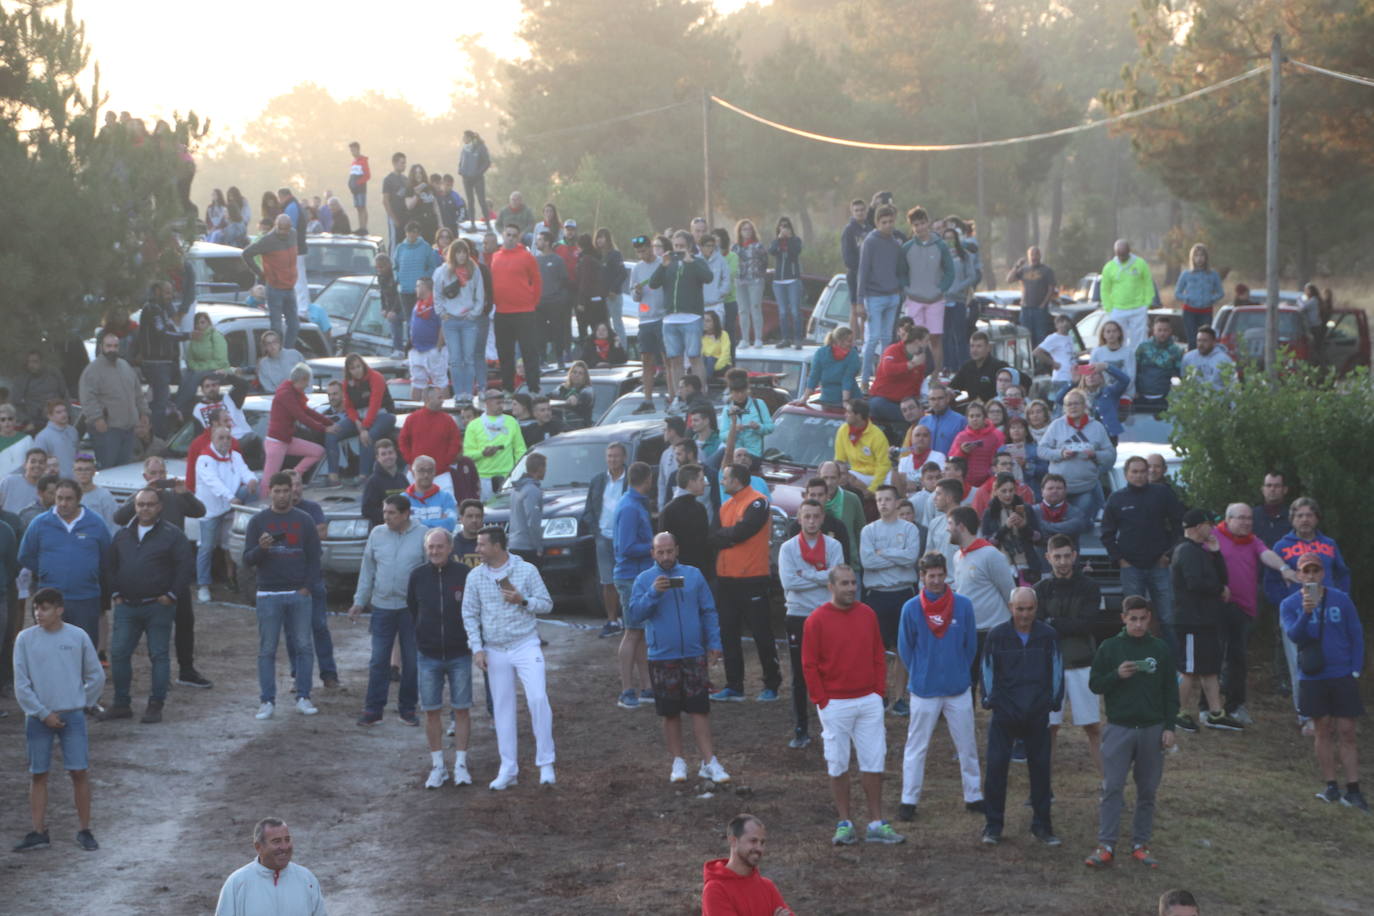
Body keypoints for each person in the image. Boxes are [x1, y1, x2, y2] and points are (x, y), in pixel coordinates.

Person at [626, 531, 731, 784]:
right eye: (660, 552)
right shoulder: (644, 580)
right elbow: (634, 615)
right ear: (652, 553)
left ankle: (709, 762)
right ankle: (678, 761)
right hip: (662, 656)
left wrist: (714, 642)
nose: (666, 556)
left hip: (694, 653)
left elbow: (708, 611)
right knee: (670, 712)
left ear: (677, 550)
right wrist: (653, 593)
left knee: (699, 709)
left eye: (669, 551)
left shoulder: (693, 575)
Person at [1085, 596, 1179, 870]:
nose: (1138, 624)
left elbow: (1170, 692)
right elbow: (1094, 684)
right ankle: (1106, 845)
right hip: (1119, 729)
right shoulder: (1110, 647)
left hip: (1152, 729)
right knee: (1112, 787)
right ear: (1123, 618)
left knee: (1147, 790)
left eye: (1143, 619)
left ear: (1149, 618)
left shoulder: (1160, 649)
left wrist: (1169, 727)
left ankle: (1140, 844)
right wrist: (1116, 675)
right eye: (1133, 619)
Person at [11, 588, 105, 854]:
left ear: (59, 610)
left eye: (44, 608)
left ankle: (84, 829)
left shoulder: (77, 636)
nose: (38, 613)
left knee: (79, 771)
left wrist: (81, 703)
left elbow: (96, 675)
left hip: (68, 714)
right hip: (39, 717)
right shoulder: (25, 639)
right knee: (38, 773)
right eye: (36, 608)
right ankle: (39, 831)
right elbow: (21, 684)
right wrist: (44, 713)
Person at [462, 525, 556, 789]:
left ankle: (546, 763)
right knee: (502, 708)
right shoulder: (475, 576)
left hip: (525, 644)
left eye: (482, 544)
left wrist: (523, 600)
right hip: (494, 648)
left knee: (538, 698)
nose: (477, 549)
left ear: (497, 546)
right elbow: (469, 614)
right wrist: (477, 648)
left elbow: (547, 604)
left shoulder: (527, 570)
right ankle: (508, 769)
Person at [895, 552, 983, 821]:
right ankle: (909, 800)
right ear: (921, 577)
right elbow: (905, 649)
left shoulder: (963, 605)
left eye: (940, 575)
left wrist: (958, 670)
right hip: (924, 689)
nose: (935, 580)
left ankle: (974, 796)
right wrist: (922, 671)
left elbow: (971, 646)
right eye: (930, 576)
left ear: (946, 574)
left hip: (958, 688)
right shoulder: (911, 608)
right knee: (916, 746)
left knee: (967, 744)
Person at [112, 456, 210, 689]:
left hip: (175, 570)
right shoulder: (141, 500)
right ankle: (158, 674)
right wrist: (142, 494)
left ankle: (186, 670)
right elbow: (119, 518)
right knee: (153, 628)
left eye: (162, 473)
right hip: (150, 573)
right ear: (145, 476)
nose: (158, 478)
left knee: (184, 621)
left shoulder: (175, 497)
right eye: (154, 473)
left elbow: (200, 511)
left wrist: (185, 493)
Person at [1281, 552, 1367, 811]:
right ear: (1298, 575)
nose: (1310, 575)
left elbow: (1356, 634)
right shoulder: (1290, 604)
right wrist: (1307, 612)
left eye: (1315, 570)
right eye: (1305, 571)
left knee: (1347, 730)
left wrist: (1355, 669)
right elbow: (1294, 635)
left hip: (1342, 674)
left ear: (1323, 573)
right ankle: (1331, 785)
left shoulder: (1341, 599)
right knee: (1322, 729)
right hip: (1313, 675)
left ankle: (1354, 788)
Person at [979, 587, 1064, 847]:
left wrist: (1052, 701)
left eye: (1029, 609)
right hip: (1005, 713)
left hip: (1037, 712)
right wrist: (991, 700)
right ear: (1010, 607)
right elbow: (987, 669)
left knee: (1040, 770)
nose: (1024, 615)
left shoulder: (1048, 636)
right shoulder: (997, 635)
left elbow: (1057, 668)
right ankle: (993, 826)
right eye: (1019, 609)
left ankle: (1043, 826)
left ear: (1036, 608)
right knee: (996, 769)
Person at [103, 487, 193, 725]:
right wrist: (115, 593)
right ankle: (121, 704)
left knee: (159, 655)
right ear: (134, 506)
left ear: (159, 507)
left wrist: (171, 595)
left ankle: (155, 705)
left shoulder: (173, 535)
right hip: (127, 606)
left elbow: (185, 567)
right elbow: (110, 566)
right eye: (140, 504)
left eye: (150, 504)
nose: (145, 508)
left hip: (158, 607)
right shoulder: (122, 535)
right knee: (119, 653)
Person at [1264, 496, 1352, 732]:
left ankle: (1332, 713)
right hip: (1298, 613)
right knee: (1300, 664)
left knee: (1332, 659)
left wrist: (1343, 599)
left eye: (1309, 515)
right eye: (1300, 515)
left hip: (1330, 612)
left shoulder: (1329, 544)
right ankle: (1307, 715)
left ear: (1317, 518)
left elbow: (1343, 573)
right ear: (1292, 518)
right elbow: (1270, 580)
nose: (1305, 519)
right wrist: (1284, 603)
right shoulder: (1282, 546)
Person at [241, 473, 322, 720]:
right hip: (268, 593)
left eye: (286, 490)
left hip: (298, 593)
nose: (282, 495)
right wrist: (262, 548)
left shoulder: (304, 520)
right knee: (267, 649)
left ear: (292, 491)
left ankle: (303, 696)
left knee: (304, 646)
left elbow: (315, 557)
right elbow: (247, 560)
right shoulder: (258, 521)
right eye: (277, 491)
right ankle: (267, 701)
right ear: (270, 492)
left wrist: (307, 587)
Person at [347, 493, 428, 728]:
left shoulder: (423, 535)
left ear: (406, 514)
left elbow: (427, 573)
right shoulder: (377, 534)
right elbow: (367, 570)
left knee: (412, 662)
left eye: (391, 513)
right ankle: (373, 710)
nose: (386, 517)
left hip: (411, 609)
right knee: (378, 661)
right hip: (382, 607)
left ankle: (408, 709)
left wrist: (427, 605)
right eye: (385, 512)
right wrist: (359, 601)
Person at [408, 527, 475, 788]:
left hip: (460, 654)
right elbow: (413, 609)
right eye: (431, 547)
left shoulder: (464, 574)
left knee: (462, 709)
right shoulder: (417, 576)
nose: (435, 551)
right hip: (428, 655)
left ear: (450, 548)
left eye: (439, 546)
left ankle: (460, 765)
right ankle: (438, 766)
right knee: (431, 711)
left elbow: (472, 609)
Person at [1036, 534, 1108, 774]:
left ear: (1075, 556)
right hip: (1050, 667)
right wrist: (1065, 624)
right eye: (1057, 557)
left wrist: (1053, 622)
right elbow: (1038, 628)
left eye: (1067, 556)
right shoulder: (1040, 589)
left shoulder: (1090, 587)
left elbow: (1087, 624)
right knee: (1049, 728)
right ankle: (1043, 787)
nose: (1063, 561)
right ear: (1048, 557)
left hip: (1082, 664)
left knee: (1093, 727)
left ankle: (1109, 784)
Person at [708, 464, 779, 703]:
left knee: (761, 633)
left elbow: (743, 531)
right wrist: (730, 537)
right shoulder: (725, 506)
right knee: (728, 633)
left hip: (752, 578)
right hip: (726, 579)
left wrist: (727, 537)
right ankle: (734, 685)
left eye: (725, 478)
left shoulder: (758, 502)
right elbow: (712, 537)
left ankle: (771, 684)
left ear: (736, 480)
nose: (722, 482)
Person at [1101, 456, 1185, 654]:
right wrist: (1119, 559)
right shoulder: (1116, 499)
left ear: (1148, 473)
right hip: (1131, 568)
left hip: (1160, 565)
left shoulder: (1162, 493)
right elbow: (1107, 533)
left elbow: (1179, 525)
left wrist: (1169, 554)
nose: (1139, 475)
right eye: (1134, 471)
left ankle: (1175, 663)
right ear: (1126, 474)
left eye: (1142, 471)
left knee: (1168, 618)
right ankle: (1136, 659)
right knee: (1134, 618)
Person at [1171, 508, 1245, 732]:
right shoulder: (1186, 551)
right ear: (1197, 527)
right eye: (1209, 524)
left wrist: (1216, 554)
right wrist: (1219, 589)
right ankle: (1177, 712)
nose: (1213, 528)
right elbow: (1194, 583)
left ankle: (1215, 713)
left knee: (1210, 668)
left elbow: (1223, 578)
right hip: (1191, 621)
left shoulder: (1201, 551)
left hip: (1206, 620)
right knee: (1188, 668)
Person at [780, 499, 844, 750]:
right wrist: (821, 576)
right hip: (797, 614)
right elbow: (789, 583)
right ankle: (801, 728)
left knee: (831, 671)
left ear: (822, 518)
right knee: (800, 674)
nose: (811, 521)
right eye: (807, 516)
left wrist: (805, 575)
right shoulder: (788, 548)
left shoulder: (834, 545)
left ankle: (834, 725)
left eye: (816, 516)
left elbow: (837, 578)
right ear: (799, 519)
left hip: (827, 614)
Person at [18, 479, 111, 649]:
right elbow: (25, 555)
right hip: (50, 598)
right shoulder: (40, 523)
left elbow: (107, 557)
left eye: (69, 499)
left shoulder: (95, 523)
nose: (63, 503)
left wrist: (89, 573)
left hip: (85, 598)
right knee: (48, 648)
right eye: (59, 498)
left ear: (79, 499)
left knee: (82, 648)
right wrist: (46, 571)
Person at [860, 484, 922, 714]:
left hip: (903, 593)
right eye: (879, 500)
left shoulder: (909, 529)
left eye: (887, 499)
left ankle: (898, 698)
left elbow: (910, 558)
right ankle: (879, 694)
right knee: (874, 649)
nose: (883, 504)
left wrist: (883, 553)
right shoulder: (868, 531)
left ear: (897, 502)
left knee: (902, 648)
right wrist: (897, 556)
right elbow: (868, 562)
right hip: (877, 594)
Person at [948, 505, 1014, 693]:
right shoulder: (957, 556)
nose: (947, 529)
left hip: (993, 633)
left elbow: (1009, 592)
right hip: (968, 631)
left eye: (950, 524)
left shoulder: (991, 555)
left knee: (996, 686)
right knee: (967, 684)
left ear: (961, 526)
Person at [194, 425, 257, 603]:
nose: (225, 441)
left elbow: (244, 471)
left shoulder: (235, 455)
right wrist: (231, 497)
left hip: (230, 506)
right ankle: (203, 585)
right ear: (212, 439)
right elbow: (213, 482)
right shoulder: (204, 459)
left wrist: (251, 479)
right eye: (221, 438)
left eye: (228, 438)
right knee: (206, 547)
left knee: (229, 545)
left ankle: (234, 579)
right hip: (211, 509)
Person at [215, 818, 327, 916]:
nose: (284, 847)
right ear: (258, 847)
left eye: (287, 840)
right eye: (276, 841)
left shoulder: (306, 879)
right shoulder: (237, 883)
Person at [613, 461, 655, 709]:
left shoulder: (633, 504)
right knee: (632, 633)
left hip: (636, 576)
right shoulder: (630, 507)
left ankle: (647, 687)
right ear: (647, 479)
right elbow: (626, 547)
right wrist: (653, 547)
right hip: (630, 576)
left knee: (639, 633)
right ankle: (626, 690)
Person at [1037, 389, 1115, 521]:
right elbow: (1041, 450)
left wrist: (1095, 455)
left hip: (1085, 488)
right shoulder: (1056, 425)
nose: (1073, 407)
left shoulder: (1097, 427)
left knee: (1080, 524)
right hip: (1058, 490)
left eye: (1076, 403)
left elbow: (1111, 454)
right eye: (1069, 404)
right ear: (1064, 407)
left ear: (1085, 405)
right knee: (1058, 525)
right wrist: (1061, 453)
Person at [78, 333, 150, 471]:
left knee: (124, 470)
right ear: (101, 347)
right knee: (108, 470)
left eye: (115, 346)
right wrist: (97, 418)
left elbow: (138, 393)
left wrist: (144, 413)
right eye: (109, 346)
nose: (112, 349)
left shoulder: (125, 366)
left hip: (128, 429)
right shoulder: (93, 370)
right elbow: (87, 398)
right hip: (107, 430)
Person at [651, 229, 713, 386]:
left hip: (691, 318)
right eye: (676, 246)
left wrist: (690, 262)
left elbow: (708, 278)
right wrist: (663, 266)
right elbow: (653, 283)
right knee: (675, 360)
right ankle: (679, 394)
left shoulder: (697, 261)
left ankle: (701, 392)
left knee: (694, 357)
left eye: (682, 246)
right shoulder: (668, 263)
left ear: (690, 246)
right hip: (670, 319)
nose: (678, 249)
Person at [853, 204, 907, 386]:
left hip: (893, 295)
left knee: (887, 338)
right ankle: (865, 379)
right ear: (877, 223)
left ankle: (883, 377)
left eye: (891, 221)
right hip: (874, 296)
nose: (888, 225)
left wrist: (900, 289)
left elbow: (900, 269)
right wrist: (859, 301)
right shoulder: (870, 241)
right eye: (884, 222)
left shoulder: (895, 243)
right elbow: (863, 271)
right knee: (873, 338)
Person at [260, 364, 332, 499]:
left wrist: (329, 422)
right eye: (307, 382)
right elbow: (301, 416)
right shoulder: (286, 393)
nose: (307, 385)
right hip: (276, 442)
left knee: (318, 451)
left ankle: (292, 478)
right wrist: (323, 428)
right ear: (302, 379)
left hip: (287, 440)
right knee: (269, 482)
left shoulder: (293, 393)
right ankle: (263, 504)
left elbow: (307, 411)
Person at [701, 814, 793, 916]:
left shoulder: (768, 887)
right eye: (753, 841)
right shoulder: (715, 889)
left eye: (762, 842)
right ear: (733, 841)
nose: (759, 848)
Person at [326, 354, 398, 484]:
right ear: (348, 371)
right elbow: (349, 406)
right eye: (352, 368)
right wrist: (356, 421)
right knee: (332, 433)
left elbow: (375, 405)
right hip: (360, 417)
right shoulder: (347, 383)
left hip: (383, 414)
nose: (356, 370)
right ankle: (333, 476)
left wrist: (364, 428)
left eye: (358, 366)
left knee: (367, 436)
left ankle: (363, 476)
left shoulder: (376, 377)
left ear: (363, 365)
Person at [489, 222, 543, 394]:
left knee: (529, 352)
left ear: (518, 237)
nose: (511, 238)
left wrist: (532, 302)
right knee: (505, 354)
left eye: (514, 235)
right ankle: (507, 388)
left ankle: (534, 388)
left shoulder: (527, 256)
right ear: (503, 235)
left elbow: (537, 281)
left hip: (524, 312)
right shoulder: (495, 256)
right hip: (502, 312)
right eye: (508, 234)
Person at [585, 441, 630, 639]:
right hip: (603, 537)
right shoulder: (597, 480)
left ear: (624, 457)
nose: (613, 460)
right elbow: (588, 510)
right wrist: (596, 531)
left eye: (616, 456)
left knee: (627, 580)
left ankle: (629, 620)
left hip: (625, 538)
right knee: (607, 581)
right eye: (610, 456)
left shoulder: (631, 479)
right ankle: (612, 621)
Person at [241, 214, 301, 347]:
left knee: (295, 325)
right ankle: (276, 352)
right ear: (275, 226)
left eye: (287, 229)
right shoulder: (267, 240)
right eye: (281, 229)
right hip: (275, 288)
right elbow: (246, 254)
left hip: (290, 287)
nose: (284, 232)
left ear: (290, 227)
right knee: (276, 327)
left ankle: (286, 351)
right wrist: (260, 273)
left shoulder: (293, 234)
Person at [463, 389, 526, 499]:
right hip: (483, 478)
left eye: (502, 402)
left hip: (506, 477)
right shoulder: (473, 425)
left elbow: (520, 450)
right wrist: (482, 453)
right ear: (487, 403)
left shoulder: (511, 422)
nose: (501, 406)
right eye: (498, 403)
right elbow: (467, 454)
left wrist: (517, 473)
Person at [868, 325, 931, 424]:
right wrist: (912, 364)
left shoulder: (920, 357)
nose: (928, 344)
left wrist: (919, 402)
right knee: (877, 405)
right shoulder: (893, 350)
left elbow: (917, 383)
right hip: (883, 399)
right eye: (926, 340)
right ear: (917, 341)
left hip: (903, 402)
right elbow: (888, 369)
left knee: (915, 411)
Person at [1099, 239, 1154, 349]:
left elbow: (1148, 283)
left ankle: (1138, 358)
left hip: (1138, 308)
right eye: (1119, 255)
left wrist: (1147, 303)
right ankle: (1119, 358)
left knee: (1140, 339)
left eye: (1124, 254)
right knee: (1117, 339)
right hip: (1118, 309)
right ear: (1115, 253)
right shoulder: (1109, 267)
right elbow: (1105, 290)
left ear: (1129, 251)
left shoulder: (1140, 263)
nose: (1122, 257)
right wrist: (1109, 308)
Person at [398, 387, 460, 483]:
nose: (442, 401)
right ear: (428, 399)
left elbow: (455, 443)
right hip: (416, 474)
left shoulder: (448, 420)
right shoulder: (412, 419)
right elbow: (403, 442)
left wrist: (445, 462)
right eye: (439, 397)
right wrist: (412, 461)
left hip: (441, 475)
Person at [832, 399, 890, 494]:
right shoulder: (843, 430)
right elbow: (839, 460)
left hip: (877, 475)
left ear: (858, 416)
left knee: (894, 478)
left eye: (849, 412)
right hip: (857, 474)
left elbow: (884, 465)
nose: (845, 414)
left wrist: (872, 489)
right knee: (843, 477)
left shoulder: (877, 435)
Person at [1173, 243, 1224, 347]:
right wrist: (1188, 298)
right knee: (1192, 340)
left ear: (1206, 258)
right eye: (1196, 255)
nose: (1199, 258)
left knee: (1205, 340)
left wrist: (1210, 299)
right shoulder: (1186, 274)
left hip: (1206, 312)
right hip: (1189, 312)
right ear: (1192, 258)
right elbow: (1177, 293)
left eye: (1202, 255)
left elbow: (1220, 293)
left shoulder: (1213, 274)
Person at [1006, 246, 1058, 347]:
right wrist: (1017, 266)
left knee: (1040, 338)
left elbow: (1051, 289)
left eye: (1036, 254)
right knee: (1025, 337)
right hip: (1025, 309)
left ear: (1040, 255)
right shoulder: (1024, 270)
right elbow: (1009, 279)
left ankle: (1039, 357)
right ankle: (1028, 356)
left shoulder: (1047, 270)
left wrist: (1043, 304)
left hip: (1040, 310)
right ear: (1028, 256)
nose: (1034, 257)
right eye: (1032, 255)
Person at [947, 401, 1004, 488]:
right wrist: (962, 451)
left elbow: (998, 460)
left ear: (984, 417)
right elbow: (951, 460)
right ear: (967, 418)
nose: (975, 419)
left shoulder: (994, 437)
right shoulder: (961, 437)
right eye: (971, 416)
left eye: (978, 416)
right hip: (965, 484)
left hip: (987, 483)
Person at [14, 350, 69, 434]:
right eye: (28, 362)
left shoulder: (54, 373)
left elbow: (65, 395)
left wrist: (68, 417)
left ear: (42, 362)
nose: (31, 365)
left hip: (57, 419)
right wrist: (26, 421)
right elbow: (15, 403)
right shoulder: (23, 379)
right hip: (36, 422)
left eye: (35, 361)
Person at [805, 327, 862, 407]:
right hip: (827, 399)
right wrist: (804, 398)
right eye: (849, 341)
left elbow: (848, 379)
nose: (852, 344)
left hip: (851, 398)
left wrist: (845, 401)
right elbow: (814, 377)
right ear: (839, 341)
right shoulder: (821, 353)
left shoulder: (853, 354)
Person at [949, 331, 1010, 404]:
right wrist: (949, 392)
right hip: (972, 408)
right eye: (972, 346)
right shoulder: (966, 367)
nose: (974, 350)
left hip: (995, 407)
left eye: (979, 346)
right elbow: (953, 387)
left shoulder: (1000, 366)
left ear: (988, 348)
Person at [1135, 315, 1183, 405]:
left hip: (1164, 397)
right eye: (1159, 330)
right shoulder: (1143, 347)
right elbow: (1134, 370)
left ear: (1170, 331)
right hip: (1141, 395)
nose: (1162, 333)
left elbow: (1179, 374)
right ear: (1154, 330)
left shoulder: (1176, 350)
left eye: (1165, 330)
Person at [403, 455, 459, 531]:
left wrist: (415, 523)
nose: (426, 475)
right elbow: (401, 524)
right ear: (413, 473)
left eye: (430, 470)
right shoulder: (403, 499)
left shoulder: (446, 497)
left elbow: (450, 524)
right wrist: (439, 522)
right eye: (421, 470)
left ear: (434, 472)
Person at [1032, 311, 1079, 401]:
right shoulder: (1054, 338)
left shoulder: (1069, 337)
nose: (1064, 324)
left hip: (1072, 376)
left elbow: (1070, 354)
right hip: (1061, 378)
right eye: (1061, 322)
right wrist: (1053, 363)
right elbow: (1037, 352)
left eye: (1066, 321)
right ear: (1056, 325)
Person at [919, 383, 967, 456]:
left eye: (940, 398)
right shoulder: (923, 421)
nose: (936, 402)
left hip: (950, 462)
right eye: (933, 399)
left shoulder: (961, 421)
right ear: (929, 401)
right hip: (927, 462)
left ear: (947, 399)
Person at [33, 401, 77, 477]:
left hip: (75, 479)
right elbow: (39, 463)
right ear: (50, 416)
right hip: (56, 480)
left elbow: (77, 455)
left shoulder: (73, 431)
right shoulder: (42, 437)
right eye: (58, 412)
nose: (64, 414)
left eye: (65, 411)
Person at [458, 131, 491, 231]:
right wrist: (460, 170)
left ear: (469, 137)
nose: (463, 139)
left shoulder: (480, 147)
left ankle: (488, 224)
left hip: (477, 178)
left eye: (464, 137)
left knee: (482, 201)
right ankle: (472, 224)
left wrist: (478, 173)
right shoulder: (464, 149)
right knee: (470, 202)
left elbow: (487, 162)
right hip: (466, 178)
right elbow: (461, 161)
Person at [347, 140, 370, 233]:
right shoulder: (354, 162)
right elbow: (352, 175)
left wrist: (358, 183)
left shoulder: (363, 160)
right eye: (351, 150)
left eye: (353, 150)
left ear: (358, 149)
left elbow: (367, 175)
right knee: (358, 208)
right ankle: (360, 227)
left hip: (361, 188)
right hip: (355, 190)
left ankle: (364, 227)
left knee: (362, 207)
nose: (352, 152)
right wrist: (350, 184)